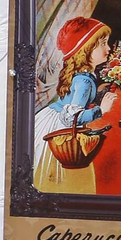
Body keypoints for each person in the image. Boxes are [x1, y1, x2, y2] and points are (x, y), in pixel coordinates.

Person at [32, 17, 114, 192]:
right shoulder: (84, 81)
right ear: (85, 50)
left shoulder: (83, 76)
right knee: (64, 178)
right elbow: (72, 117)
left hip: (53, 119)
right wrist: (101, 110)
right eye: (103, 44)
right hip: (61, 130)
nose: (108, 48)